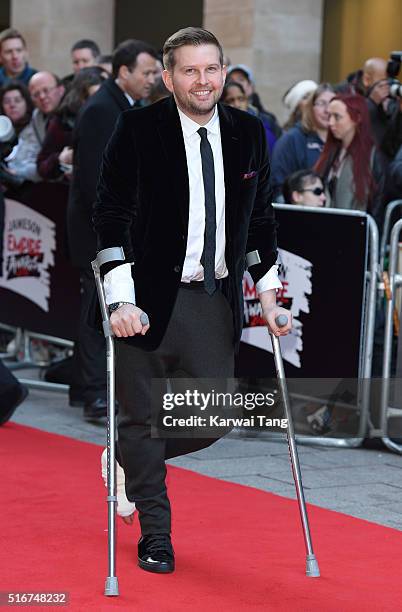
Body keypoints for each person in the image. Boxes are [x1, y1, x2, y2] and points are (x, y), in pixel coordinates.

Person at [93, 26, 291, 574]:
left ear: (224, 73)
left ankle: (127, 462)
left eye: (211, 69)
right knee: (140, 419)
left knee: (213, 416)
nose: (201, 81)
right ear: (168, 76)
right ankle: (156, 537)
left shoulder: (249, 133)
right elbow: (110, 215)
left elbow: (260, 222)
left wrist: (269, 297)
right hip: (143, 296)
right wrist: (119, 301)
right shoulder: (137, 129)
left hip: (209, 297)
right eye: (189, 70)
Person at [67, 39, 158, 416]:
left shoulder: (122, 105)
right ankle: (94, 395)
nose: (153, 79)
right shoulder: (103, 110)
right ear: (124, 73)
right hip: (99, 233)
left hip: (109, 229)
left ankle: (84, 388)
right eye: (147, 72)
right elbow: (93, 181)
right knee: (98, 312)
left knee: (102, 308)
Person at [314, 92, 385, 223]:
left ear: (357, 118)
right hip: (326, 227)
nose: (330, 122)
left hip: (357, 231)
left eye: (337, 117)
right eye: (329, 116)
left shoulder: (373, 157)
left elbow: (378, 205)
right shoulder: (331, 152)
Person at [37, 66, 106, 180]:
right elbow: (42, 167)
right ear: (81, 98)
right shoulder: (63, 121)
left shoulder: (117, 114)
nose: (99, 102)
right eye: (92, 97)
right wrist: (61, 158)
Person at [271, 83, 335, 199]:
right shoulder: (292, 139)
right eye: (321, 104)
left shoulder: (342, 140)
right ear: (310, 108)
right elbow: (277, 185)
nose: (327, 110)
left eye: (332, 103)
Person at [221, 80, 281, 154]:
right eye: (230, 100)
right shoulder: (219, 130)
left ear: (246, 100)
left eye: (241, 99)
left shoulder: (266, 121)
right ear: (222, 104)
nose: (237, 104)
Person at [0, 80, 38, 188]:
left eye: (17, 100)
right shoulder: (2, 127)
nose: (12, 105)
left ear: (26, 102)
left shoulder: (36, 127)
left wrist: (17, 172)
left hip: (30, 185)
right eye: (7, 102)